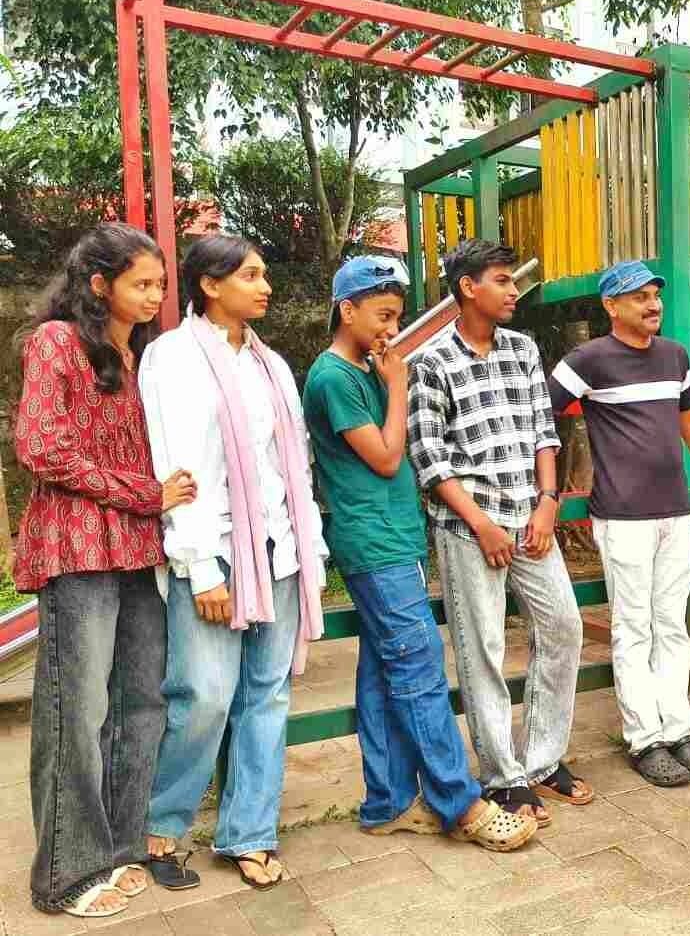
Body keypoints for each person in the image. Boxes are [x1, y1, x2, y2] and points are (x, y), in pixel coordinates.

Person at [302, 256, 536, 852]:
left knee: (384, 671)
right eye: (382, 316)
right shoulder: (333, 378)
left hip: (394, 537)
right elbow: (386, 457)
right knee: (420, 668)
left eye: (396, 317)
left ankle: (386, 803)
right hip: (373, 542)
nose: (391, 329)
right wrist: (399, 386)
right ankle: (461, 804)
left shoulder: (364, 370)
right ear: (347, 310)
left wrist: (389, 382)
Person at [14, 223, 197, 918]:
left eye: (160, 285)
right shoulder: (56, 342)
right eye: (141, 284)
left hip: (137, 550)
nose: (154, 296)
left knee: (141, 703)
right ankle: (65, 872)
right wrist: (144, 494)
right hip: (78, 549)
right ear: (99, 284)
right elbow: (41, 447)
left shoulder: (139, 355)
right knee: (77, 710)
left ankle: (118, 847)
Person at [139, 235, 327, 890]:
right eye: (250, 275)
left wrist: (309, 548)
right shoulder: (173, 357)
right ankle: (162, 825)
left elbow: (293, 463)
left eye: (264, 273)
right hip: (214, 550)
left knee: (267, 696)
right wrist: (200, 566)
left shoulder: (270, 365)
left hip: (278, 547)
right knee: (204, 696)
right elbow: (176, 464)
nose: (265, 285)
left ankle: (249, 832)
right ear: (210, 284)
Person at [407, 239, 591, 826]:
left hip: (530, 519)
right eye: (503, 280)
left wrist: (548, 503)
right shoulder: (432, 362)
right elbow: (429, 459)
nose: (514, 291)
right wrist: (482, 524)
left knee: (563, 626)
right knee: (481, 648)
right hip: (469, 528)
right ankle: (502, 776)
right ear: (468, 287)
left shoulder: (522, 348)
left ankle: (541, 759)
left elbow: (544, 432)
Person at [547, 261, 690, 787]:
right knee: (633, 629)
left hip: (675, 513)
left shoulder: (674, 355)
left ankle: (679, 731)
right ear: (611, 306)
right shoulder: (587, 360)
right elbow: (542, 416)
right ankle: (644, 740)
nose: (653, 304)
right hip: (622, 517)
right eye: (639, 296)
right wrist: (545, 486)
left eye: (655, 294)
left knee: (672, 625)